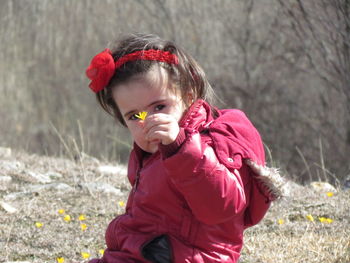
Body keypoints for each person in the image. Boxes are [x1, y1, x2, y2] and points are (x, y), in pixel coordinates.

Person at [85, 33, 283, 263]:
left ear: (188, 96)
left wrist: (180, 148)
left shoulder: (210, 143)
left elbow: (221, 207)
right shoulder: (148, 153)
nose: (149, 120)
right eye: (134, 115)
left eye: (160, 106)